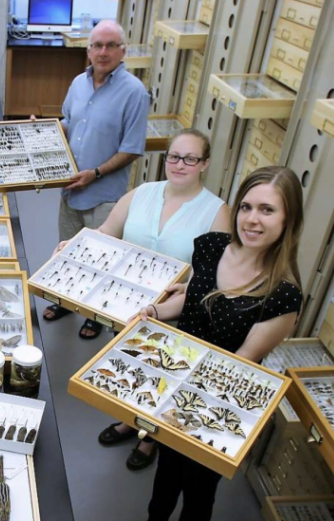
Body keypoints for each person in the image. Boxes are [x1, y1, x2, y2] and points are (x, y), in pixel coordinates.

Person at [139, 166, 304, 521]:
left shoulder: (284, 297)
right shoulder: (212, 246)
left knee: (198, 492)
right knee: (165, 479)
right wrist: (155, 310)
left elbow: (240, 361)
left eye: (267, 210)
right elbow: (194, 297)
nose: (252, 219)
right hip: (175, 381)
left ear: (288, 219)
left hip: (215, 405)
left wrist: (181, 401)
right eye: (246, 207)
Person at [80, 129, 231, 470]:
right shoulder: (142, 193)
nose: (180, 165)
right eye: (174, 156)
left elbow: (218, 273)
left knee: (161, 375)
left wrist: (190, 285)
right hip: (127, 307)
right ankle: (128, 422)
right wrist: (75, 246)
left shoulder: (217, 212)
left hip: (175, 315)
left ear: (204, 164)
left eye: (190, 159)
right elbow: (106, 232)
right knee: (131, 367)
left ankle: (150, 440)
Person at [43, 19, 150, 340]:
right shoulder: (78, 83)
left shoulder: (134, 93)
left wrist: (95, 174)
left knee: (103, 258)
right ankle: (65, 300)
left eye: (110, 45)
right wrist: (40, 132)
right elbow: (68, 123)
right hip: (70, 190)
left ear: (122, 51)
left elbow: (131, 149)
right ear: (88, 50)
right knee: (69, 250)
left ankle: (96, 315)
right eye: (97, 46)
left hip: (104, 194)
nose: (103, 52)